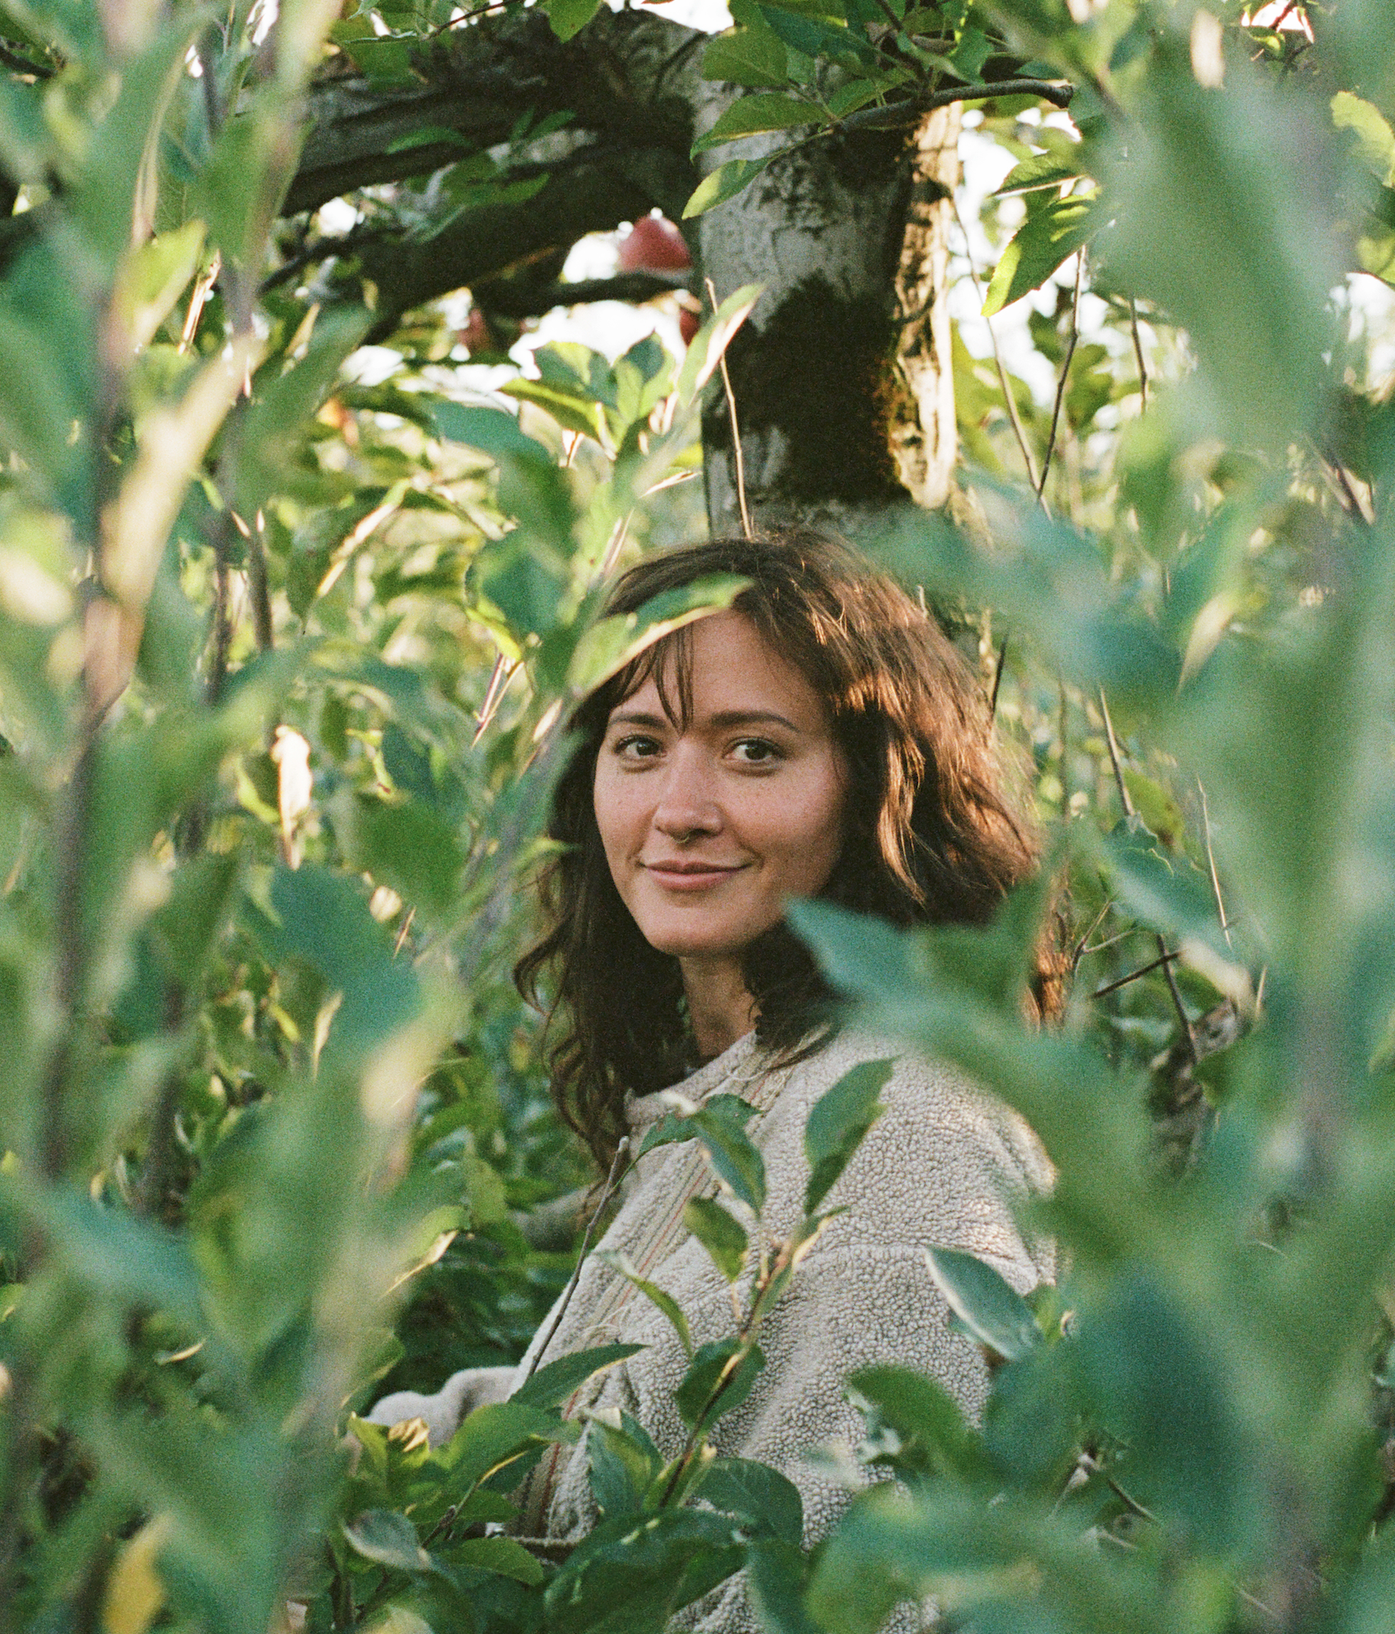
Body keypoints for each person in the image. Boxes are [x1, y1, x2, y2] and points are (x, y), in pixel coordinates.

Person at [369, 533, 1060, 1630]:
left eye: (753, 752)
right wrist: (355, 1463)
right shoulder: (755, 1088)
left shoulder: (896, 1143)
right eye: (639, 745)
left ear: (875, 785)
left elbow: (848, 1602)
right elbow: (609, 1426)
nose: (678, 807)